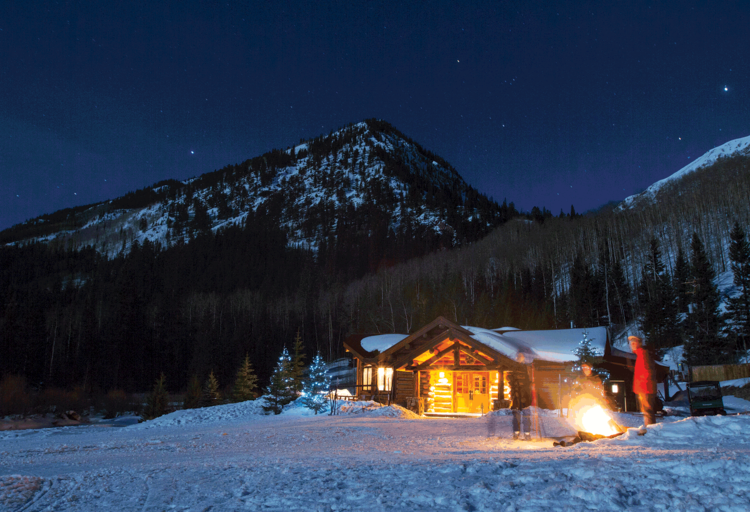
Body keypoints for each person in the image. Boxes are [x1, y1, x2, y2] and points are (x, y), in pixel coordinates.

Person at [629, 335, 657, 426]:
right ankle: (649, 428)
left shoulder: (643, 354)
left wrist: (642, 386)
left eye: (634, 343)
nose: (632, 345)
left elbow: (647, 372)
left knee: (647, 411)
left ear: (639, 343)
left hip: (645, 388)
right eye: (631, 343)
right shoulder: (640, 354)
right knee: (646, 411)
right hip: (643, 388)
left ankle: (650, 430)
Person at [509, 353, 532, 440]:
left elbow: (528, 383)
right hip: (517, 397)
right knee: (516, 416)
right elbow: (511, 381)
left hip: (524, 397)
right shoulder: (515, 369)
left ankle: (526, 434)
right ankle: (516, 433)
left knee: (525, 416)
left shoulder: (526, 368)